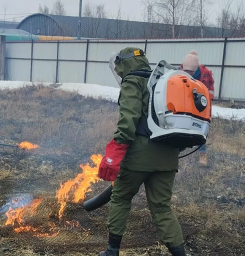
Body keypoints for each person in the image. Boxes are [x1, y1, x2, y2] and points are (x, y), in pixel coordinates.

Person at [97, 47, 186, 256]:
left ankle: (112, 251)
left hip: (139, 155)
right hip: (168, 156)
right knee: (162, 208)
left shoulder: (132, 81)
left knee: (120, 197)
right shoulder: (162, 82)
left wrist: (115, 151)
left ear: (124, 64)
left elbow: (129, 119)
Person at [181, 50, 215, 167]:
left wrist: (208, 101)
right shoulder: (179, 73)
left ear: (195, 69)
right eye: (186, 71)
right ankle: (178, 151)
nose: (188, 73)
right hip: (186, 104)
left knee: (201, 129)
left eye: (190, 71)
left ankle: (202, 155)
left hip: (202, 104)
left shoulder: (205, 73)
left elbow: (210, 88)